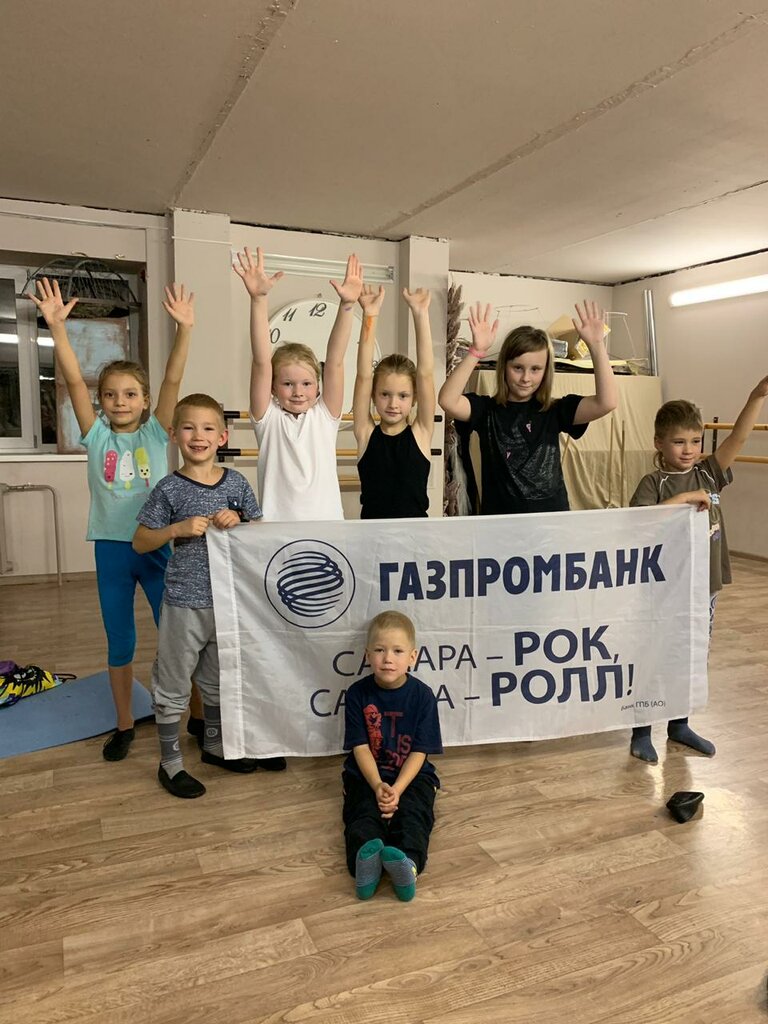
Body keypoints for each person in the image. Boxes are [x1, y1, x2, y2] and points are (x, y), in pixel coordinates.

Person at [28, 277, 194, 762]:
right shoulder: (96, 434)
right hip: (112, 550)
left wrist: (185, 330)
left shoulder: (157, 434)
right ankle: (124, 724)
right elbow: (73, 380)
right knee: (120, 641)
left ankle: (188, 717)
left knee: (176, 638)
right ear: (101, 401)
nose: (120, 401)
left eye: (130, 394)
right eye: (111, 395)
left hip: (158, 546)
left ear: (144, 400)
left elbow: (173, 380)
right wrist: (57, 329)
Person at [133, 394, 271, 798]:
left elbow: (262, 534)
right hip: (184, 602)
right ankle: (170, 762)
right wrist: (175, 530)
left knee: (215, 679)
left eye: (208, 428)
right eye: (189, 428)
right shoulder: (169, 488)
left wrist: (240, 519)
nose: (199, 436)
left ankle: (213, 745)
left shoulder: (237, 484)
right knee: (174, 682)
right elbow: (140, 541)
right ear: (174, 435)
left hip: (228, 601)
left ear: (222, 436)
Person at [628, 378, 768, 763]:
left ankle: (680, 724)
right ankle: (641, 730)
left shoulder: (709, 473)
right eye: (679, 442)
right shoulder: (653, 482)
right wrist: (686, 497)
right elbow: (641, 522)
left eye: (695, 441)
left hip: (703, 585)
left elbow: (738, 438)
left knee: (690, 655)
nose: (689, 449)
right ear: (659, 443)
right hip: (662, 590)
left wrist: (756, 395)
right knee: (654, 656)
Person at [437, 300, 617, 514]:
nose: (525, 378)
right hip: (501, 522)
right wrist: (476, 352)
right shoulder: (487, 411)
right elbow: (447, 401)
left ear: (546, 371)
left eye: (535, 369)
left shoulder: (555, 411)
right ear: (504, 367)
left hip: (551, 521)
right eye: (518, 368)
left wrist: (596, 345)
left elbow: (607, 402)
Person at [233, 245, 364, 521]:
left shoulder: (324, 416)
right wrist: (258, 300)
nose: (298, 392)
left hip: (326, 526)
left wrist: (347, 306)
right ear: (272, 387)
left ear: (318, 387)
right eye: (288, 384)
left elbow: (335, 361)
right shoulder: (268, 419)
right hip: (277, 529)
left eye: (306, 384)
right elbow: (261, 362)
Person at [342, 611, 443, 902]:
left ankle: (407, 863)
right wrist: (377, 786)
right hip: (366, 775)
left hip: (412, 776)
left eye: (397, 651)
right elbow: (360, 748)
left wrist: (397, 789)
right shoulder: (357, 694)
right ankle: (365, 865)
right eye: (379, 650)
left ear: (412, 657)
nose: (388, 658)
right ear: (367, 655)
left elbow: (420, 752)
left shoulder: (423, 696)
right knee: (361, 814)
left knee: (414, 815)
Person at [352, 285, 435, 518]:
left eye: (403, 396)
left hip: (414, 535)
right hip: (372, 534)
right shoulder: (366, 433)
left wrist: (420, 314)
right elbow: (363, 375)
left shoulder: (421, 432)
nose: (393, 404)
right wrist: (370, 315)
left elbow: (426, 374)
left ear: (415, 398)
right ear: (373, 395)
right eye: (385, 394)